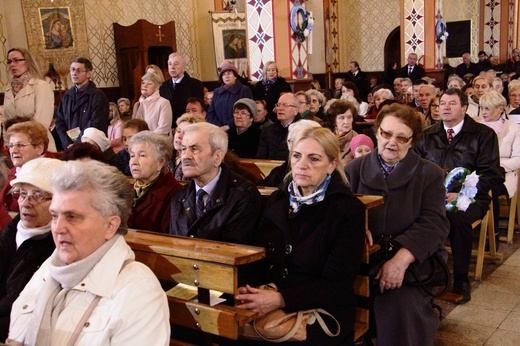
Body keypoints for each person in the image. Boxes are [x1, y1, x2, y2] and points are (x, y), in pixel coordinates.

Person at [7, 160, 170, 345]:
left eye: (73, 217)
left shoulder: (140, 293)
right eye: (54, 216)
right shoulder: (50, 269)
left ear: (110, 226)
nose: (58, 228)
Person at [237, 127, 365, 344]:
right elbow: (258, 255)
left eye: (314, 159)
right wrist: (249, 292)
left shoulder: (347, 210)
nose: (302, 164)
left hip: (322, 308)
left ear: (332, 165)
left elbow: (337, 284)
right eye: (297, 156)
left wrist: (280, 299)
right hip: (272, 299)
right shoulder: (278, 199)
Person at [346, 103, 449, 345]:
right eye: (386, 134)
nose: (392, 142)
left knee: (398, 306)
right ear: (376, 132)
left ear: (412, 141)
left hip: (412, 264)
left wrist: (401, 260)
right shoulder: (353, 170)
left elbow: (434, 223)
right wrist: (356, 229)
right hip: (361, 261)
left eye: (402, 137)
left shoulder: (429, 174)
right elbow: (340, 214)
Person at [415, 88, 504, 303]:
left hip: (471, 197)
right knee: (413, 215)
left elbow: (491, 174)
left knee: (457, 217)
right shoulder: (427, 136)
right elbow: (416, 169)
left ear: (464, 108)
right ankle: (430, 269)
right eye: (441, 103)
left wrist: (462, 194)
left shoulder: (483, 135)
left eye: (451, 103)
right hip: (433, 198)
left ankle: (461, 278)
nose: (444, 107)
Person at [0, 158, 64, 340]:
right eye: (22, 194)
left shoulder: (58, 249)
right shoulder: (7, 234)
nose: (26, 203)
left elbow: (26, 313)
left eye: (37, 195)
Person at [169, 122, 261, 244]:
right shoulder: (179, 196)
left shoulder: (243, 195)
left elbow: (232, 252)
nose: (185, 156)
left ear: (217, 157)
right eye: (183, 149)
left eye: (194, 149)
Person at [479, 91, 520, 235]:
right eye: (482, 108)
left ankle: (492, 234)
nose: (483, 112)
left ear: (500, 109)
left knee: (490, 190)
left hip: (504, 175)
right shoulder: (476, 127)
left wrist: (495, 165)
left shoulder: (514, 128)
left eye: (487, 108)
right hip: (477, 173)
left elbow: (518, 159)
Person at [3, 48, 57, 152]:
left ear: (27, 62)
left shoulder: (41, 86)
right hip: (15, 147)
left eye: (16, 60)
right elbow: (7, 120)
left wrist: (25, 142)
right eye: (9, 61)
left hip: (37, 145)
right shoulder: (9, 89)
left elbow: (42, 121)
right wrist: (8, 143)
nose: (12, 65)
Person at [127, 131, 181, 233]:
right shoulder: (126, 189)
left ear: (160, 162)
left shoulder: (174, 194)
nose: (134, 162)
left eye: (142, 155)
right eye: (132, 156)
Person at [0, 121, 50, 229]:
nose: (13, 150)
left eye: (20, 145)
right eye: (11, 145)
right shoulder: (11, 173)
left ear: (39, 148)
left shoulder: (47, 177)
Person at [55, 57, 109, 149]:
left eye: (79, 71)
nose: (74, 73)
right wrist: (67, 144)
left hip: (89, 146)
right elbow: (60, 122)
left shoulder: (98, 96)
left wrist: (77, 144)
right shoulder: (67, 95)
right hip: (69, 146)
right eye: (72, 70)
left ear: (88, 74)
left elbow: (96, 124)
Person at [206, 61, 253, 130]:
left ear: (235, 76)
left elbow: (246, 112)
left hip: (238, 131)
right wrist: (219, 126)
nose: (226, 76)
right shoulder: (217, 91)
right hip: (218, 131)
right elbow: (211, 113)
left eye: (229, 73)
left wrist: (229, 126)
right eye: (224, 74)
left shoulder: (244, 90)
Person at [159, 53, 204, 125]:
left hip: (188, 125)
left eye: (176, 64)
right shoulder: (163, 86)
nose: (172, 67)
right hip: (168, 126)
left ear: (184, 67)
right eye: (170, 64)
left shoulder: (195, 85)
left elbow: (196, 109)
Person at [256, 93, 301, 160]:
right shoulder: (267, 131)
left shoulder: (303, 131)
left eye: (285, 105)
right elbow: (260, 158)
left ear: (296, 111)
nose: (280, 108)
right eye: (278, 105)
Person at [133, 72, 172, 136]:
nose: (144, 85)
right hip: (141, 141)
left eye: (149, 83)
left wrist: (147, 137)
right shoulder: (138, 104)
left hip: (158, 142)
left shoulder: (164, 102)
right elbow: (135, 126)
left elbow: (164, 128)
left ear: (157, 87)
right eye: (143, 83)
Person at [171, 113, 205, 181]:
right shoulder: (166, 156)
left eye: (185, 133)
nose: (179, 136)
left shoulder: (197, 161)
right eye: (178, 131)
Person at [325, 100, 358, 165]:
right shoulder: (326, 135)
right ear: (334, 121)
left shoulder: (356, 139)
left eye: (349, 117)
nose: (346, 122)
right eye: (342, 118)